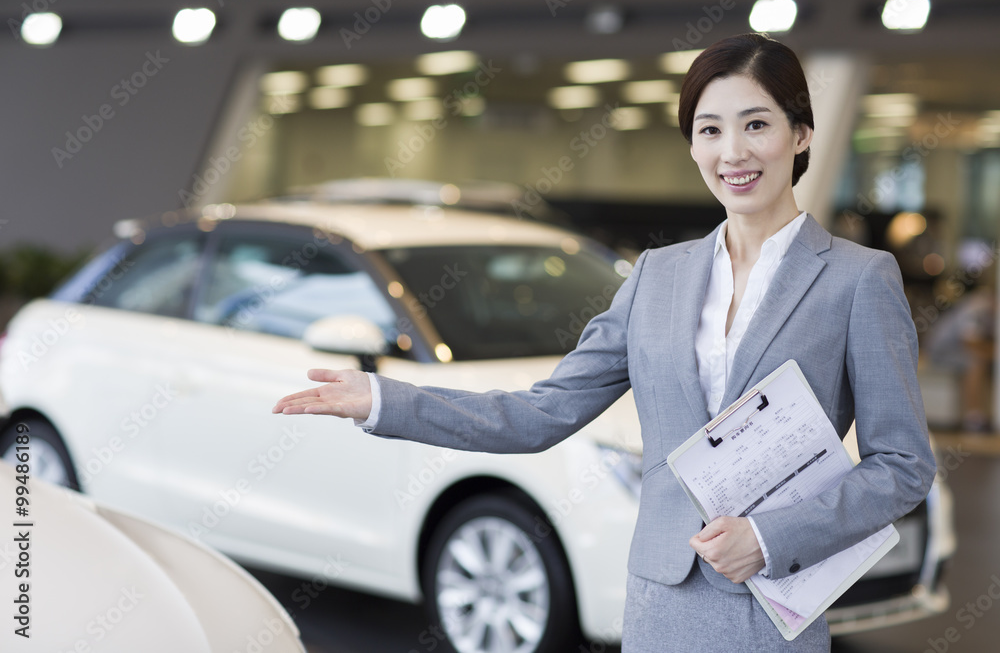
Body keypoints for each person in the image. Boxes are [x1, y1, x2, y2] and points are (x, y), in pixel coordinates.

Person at [273, 33, 936, 653]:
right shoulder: (656, 275)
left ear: (801, 134)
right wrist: (385, 400)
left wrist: (769, 537)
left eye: (756, 124)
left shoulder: (858, 279)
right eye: (710, 130)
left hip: (771, 605)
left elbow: (903, 463)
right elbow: (539, 412)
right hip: (659, 600)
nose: (733, 151)